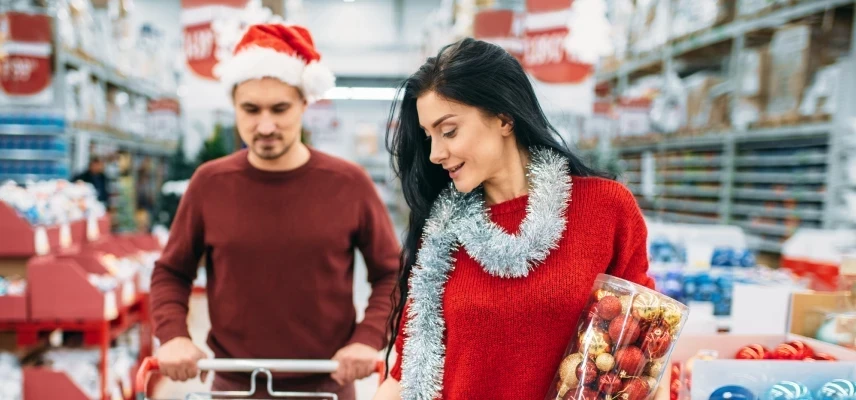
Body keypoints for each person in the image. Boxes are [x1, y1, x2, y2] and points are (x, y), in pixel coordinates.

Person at [373, 38, 654, 400]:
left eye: (449, 131)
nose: (435, 154)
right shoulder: (441, 236)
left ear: (504, 118)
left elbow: (644, 359)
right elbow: (405, 377)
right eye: (429, 137)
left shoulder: (606, 208)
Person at [149, 23, 400, 400]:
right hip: (232, 384)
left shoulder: (348, 183)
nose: (265, 125)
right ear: (234, 105)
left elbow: (392, 274)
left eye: (280, 108)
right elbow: (171, 271)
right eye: (250, 109)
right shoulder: (209, 184)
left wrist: (368, 339)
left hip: (327, 386)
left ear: (304, 103)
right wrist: (173, 336)